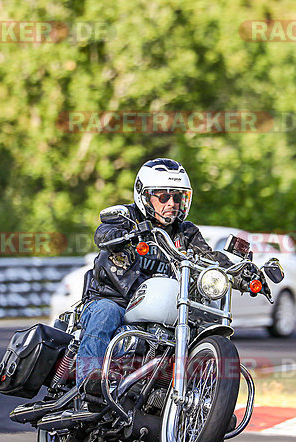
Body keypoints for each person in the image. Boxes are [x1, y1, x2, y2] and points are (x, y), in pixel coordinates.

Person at [74, 158, 231, 403]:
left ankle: (204, 402)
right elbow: (103, 231)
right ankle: (88, 384)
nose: (171, 203)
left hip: (159, 306)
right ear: (144, 196)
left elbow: (209, 257)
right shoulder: (128, 218)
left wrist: (243, 272)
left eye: (177, 197)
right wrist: (117, 236)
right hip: (114, 299)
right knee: (106, 313)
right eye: (163, 196)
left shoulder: (186, 233)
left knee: (196, 327)